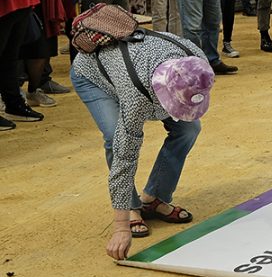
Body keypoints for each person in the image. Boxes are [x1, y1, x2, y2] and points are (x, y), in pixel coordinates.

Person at [71, 28, 212, 258]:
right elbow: (125, 156)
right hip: (93, 75)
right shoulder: (137, 95)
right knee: (113, 135)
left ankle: (155, 198)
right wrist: (120, 226)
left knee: (189, 128)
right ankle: (131, 207)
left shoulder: (197, 64)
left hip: (137, 70)